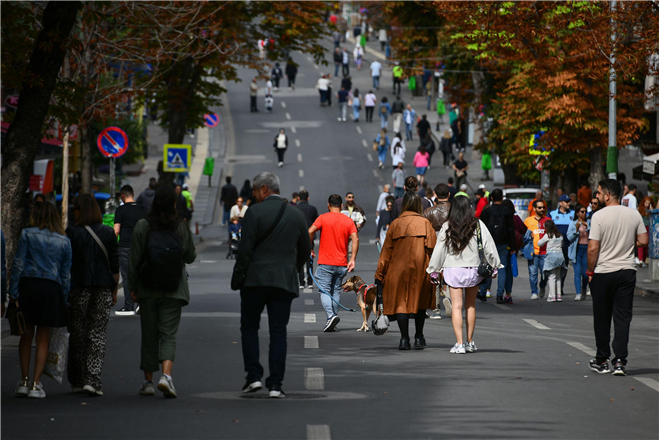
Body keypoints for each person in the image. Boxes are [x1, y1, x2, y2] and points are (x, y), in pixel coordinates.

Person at [231, 172, 310, 397]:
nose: (254, 195)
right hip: (283, 282)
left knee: (249, 327)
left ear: (264, 189)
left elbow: (245, 250)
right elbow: (305, 249)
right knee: (278, 332)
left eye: (255, 191)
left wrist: (238, 278)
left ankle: (253, 377)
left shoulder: (254, 212)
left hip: (255, 281)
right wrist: (291, 268)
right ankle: (275, 384)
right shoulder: (295, 214)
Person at [129, 186, 197, 398]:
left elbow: (134, 259)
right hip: (174, 289)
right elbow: (190, 256)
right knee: (168, 335)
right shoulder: (180, 226)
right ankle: (166, 376)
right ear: (174, 203)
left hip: (148, 288)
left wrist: (133, 287)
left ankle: (148, 382)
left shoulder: (143, 225)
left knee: (149, 335)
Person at [9, 203, 72, 399]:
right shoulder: (64, 240)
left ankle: (24, 380)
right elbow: (65, 275)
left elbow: (18, 264)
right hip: (51, 289)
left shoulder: (27, 234)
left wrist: (13, 292)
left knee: (26, 335)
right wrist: (63, 298)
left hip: (29, 285)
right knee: (43, 339)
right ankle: (36, 384)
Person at [587, 179, 648, 375]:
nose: (596, 196)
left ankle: (602, 360)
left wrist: (590, 272)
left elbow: (593, 248)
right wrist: (627, 244)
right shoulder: (634, 214)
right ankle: (620, 361)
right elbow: (643, 240)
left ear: (606, 196)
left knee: (602, 317)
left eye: (598, 193)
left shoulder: (598, 216)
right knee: (622, 317)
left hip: (603, 272)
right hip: (626, 271)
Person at [427, 195, 502, 354]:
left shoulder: (447, 226)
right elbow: (489, 245)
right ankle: (470, 342)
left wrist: (433, 269)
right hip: (474, 269)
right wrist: (495, 265)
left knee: (456, 307)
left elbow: (440, 250)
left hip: (453, 270)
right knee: (470, 306)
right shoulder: (477, 224)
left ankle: (459, 344)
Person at [66, 194, 119, 396]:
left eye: (75, 208)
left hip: (79, 287)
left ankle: (77, 380)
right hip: (102, 287)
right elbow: (114, 264)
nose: (73, 212)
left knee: (78, 333)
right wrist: (114, 290)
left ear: (81, 211)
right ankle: (92, 380)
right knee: (97, 334)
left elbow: (67, 263)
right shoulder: (107, 232)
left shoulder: (72, 232)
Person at [376, 192, 437, 350]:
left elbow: (386, 252)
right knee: (419, 302)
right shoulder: (425, 223)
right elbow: (433, 248)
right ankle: (419, 337)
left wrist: (380, 274)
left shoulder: (395, 224)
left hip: (398, 268)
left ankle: (404, 339)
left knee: (401, 303)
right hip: (420, 268)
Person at [308, 194, 359, 332]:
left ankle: (331, 316)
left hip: (326, 262)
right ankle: (332, 321)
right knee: (336, 290)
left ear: (328, 205)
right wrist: (352, 259)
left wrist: (310, 249)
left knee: (324, 290)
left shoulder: (323, 218)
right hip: (341, 264)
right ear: (341, 206)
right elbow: (355, 239)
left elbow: (309, 232)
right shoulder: (348, 220)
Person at [113, 185, 149, 315]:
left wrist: (112, 245)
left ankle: (128, 305)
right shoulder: (143, 209)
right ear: (133, 194)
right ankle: (141, 303)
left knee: (127, 275)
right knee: (141, 274)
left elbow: (116, 231)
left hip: (125, 246)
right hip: (141, 246)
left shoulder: (120, 210)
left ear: (122, 195)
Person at [479, 189, 515, 304]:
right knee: (502, 268)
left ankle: (483, 291)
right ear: (502, 198)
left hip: (489, 243)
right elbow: (511, 230)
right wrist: (512, 245)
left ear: (492, 198)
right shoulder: (507, 212)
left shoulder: (486, 212)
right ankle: (500, 295)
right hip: (503, 242)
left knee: (488, 266)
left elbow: (481, 229)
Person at [423, 183, 452, 319]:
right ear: (449, 194)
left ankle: (436, 309)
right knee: (451, 271)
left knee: (434, 273)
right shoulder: (454, 211)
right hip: (451, 242)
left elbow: (424, 229)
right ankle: (450, 298)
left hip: (433, 242)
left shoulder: (428, 212)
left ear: (435, 195)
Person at [502, 199, 527, 304]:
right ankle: (508, 294)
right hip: (514, 247)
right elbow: (524, 230)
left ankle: (497, 292)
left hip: (501, 246)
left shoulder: (500, 217)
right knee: (509, 271)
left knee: (501, 270)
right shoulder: (515, 218)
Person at [524, 200, 549, 300]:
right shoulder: (528, 221)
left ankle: (542, 285)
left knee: (545, 273)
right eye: (539, 207)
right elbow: (523, 236)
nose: (542, 209)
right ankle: (534, 292)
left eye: (543, 207)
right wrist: (527, 236)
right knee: (533, 273)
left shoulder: (548, 220)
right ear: (534, 209)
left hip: (545, 252)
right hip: (533, 251)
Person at [549, 194, 573, 294]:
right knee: (555, 265)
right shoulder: (552, 214)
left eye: (569, 201)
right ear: (560, 203)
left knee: (564, 265)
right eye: (566, 202)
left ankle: (561, 285)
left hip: (568, 244)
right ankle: (553, 285)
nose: (568, 203)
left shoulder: (573, 213)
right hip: (556, 244)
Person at [537, 220, 566, 302]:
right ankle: (559, 295)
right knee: (558, 276)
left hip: (551, 257)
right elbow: (562, 245)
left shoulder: (548, 235)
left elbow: (539, 243)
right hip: (560, 256)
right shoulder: (560, 235)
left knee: (551, 276)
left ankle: (553, 296)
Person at [296, 190, 319, 289]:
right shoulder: (312, 208)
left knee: (300, 259)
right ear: (308, 198)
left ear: (298, 198)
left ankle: (301, 282)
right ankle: (310, 281)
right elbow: (316, 221)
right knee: (309, 259)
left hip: (298, 237)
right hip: (310, 236)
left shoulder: (295, 208)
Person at [567, 204, 590, 300]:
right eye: (582, 211)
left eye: (585, 211)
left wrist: (587, 227)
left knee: (585, 273)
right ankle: (578, 293)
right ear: (577, 213)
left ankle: (584, 287)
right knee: (577, 272)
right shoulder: (573, 224)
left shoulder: (589, 222)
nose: (584, 213)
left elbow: (594, 236)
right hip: (577, 249)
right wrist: (576, 230)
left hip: (586, 249)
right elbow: (569, 237)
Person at [637, 197, 656, 267]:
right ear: (643, 202)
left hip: (648, 227)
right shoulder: (640, 209)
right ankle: (640, 260)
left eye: (649, 203)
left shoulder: (650, 210)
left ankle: (643, 260)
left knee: (646, 245)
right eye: (646, 203)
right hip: (642, 227)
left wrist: (651, 210)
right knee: (642, 244)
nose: (647, 205)